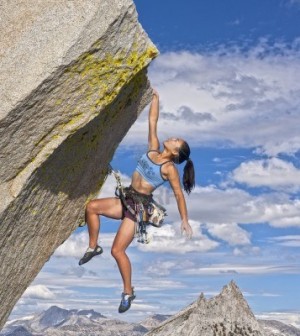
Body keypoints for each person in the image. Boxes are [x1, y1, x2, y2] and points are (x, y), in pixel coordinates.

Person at [79, 89, 195, 313]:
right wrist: (155, 98)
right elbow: (153, 121)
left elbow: (179, 194)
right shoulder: (153, 148)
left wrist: (185, 220)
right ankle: (93, 247)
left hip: (137, 210)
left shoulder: (169, 169)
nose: (172, 138)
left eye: (176, 141)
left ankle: (128, 292)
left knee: (118, 251)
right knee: (91, 208)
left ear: (176, 153)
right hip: (126, 198)